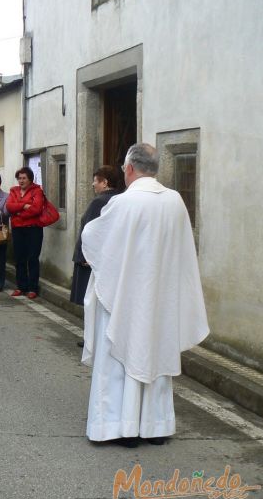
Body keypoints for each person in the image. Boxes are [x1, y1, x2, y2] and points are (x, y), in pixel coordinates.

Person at [81, 143, 209, 447]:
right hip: (160, 297)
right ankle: (155, 426)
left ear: (128, 169)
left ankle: (119, 427)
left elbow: (93, 236)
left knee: (118, 360)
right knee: (155, 356)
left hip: (124, 296)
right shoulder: (175, 201)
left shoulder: (124, 203)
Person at [69, 165, 122, 306]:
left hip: (90, 259)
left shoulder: (99, 201)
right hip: (109, 258)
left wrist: (83, 255)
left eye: (95, 181)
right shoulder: (121, 199)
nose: (93, 184)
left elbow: (89, 232)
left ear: (104, 183)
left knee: (91, 301)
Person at [6, 167, 44, 299]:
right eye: (19, 178)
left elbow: (37, 209)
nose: (21, 181)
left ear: (30, 179)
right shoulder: (13, 190)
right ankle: (21, 286)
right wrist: (23, 206)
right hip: (17, 229)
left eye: (24, 178)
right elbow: (9, 206)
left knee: (32, 258)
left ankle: (33, 288)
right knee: (19, 258)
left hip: (33, 229)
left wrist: (18, 213)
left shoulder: (37, 191)